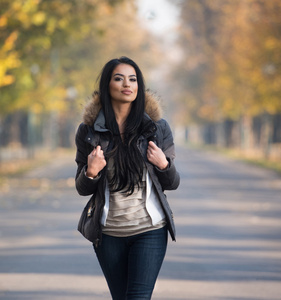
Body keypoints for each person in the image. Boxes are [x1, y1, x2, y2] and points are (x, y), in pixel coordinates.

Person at [74, 56, 180, 300]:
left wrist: (163, 164)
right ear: (107, 85)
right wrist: (91, 172)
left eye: (133, 79)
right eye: (119, 78)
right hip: (108, 234)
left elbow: (172, 183)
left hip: (150, 230)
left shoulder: (156, 127)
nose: (127, 84)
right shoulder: (88, 132)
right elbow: (82, 187)